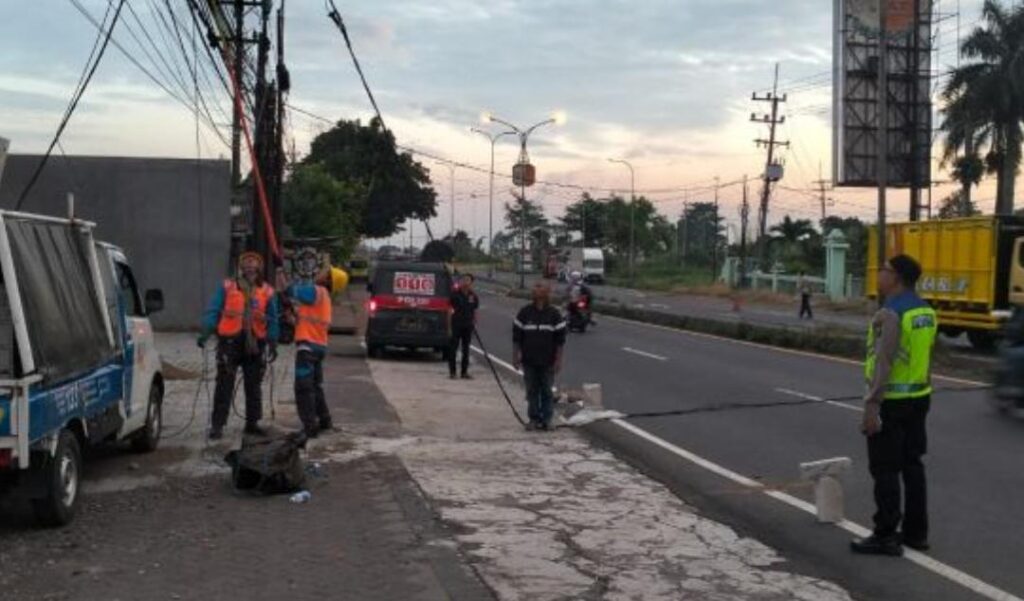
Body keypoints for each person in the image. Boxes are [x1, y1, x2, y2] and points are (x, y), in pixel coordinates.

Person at [851, 254, 937, 557]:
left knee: (885, 469)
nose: (879, 274)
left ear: (897, 277)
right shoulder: (926, 311)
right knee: (913, 465)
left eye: (884, 271)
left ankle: (885, 534)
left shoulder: (890, 314)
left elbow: (883, 363)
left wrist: (871, 408)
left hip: (891, 402)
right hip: (919, 398)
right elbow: (925, 358)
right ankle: (916, 533)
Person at [199, 252, 279, 440]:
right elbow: (213, 310)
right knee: (224, 384)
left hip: (255, 343)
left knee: (253, 385)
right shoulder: (227, 286)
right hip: (230, 342)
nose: (250, 266)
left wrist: (273, 342)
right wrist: (205, 333)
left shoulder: (267, 291)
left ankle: (252, 423)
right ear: (241, 267)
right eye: (246, 263)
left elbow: (273, 319)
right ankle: (217, 425)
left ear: (259, 268)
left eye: (254, 263)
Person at [288, 247, 334, 438]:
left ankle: (309, 426)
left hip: (307, 347)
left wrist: (283, 279)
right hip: (319, 346)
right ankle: (324, 420)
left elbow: (292, 290)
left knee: (303, 388)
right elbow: (305, 315)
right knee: (315, 386)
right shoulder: (324, 296)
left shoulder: (315, 291)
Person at [513, 281, 566, 431]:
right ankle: (533, 419)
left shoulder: (554, 314)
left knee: (547, 391)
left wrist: (558, 360)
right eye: (535, 286)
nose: (536, 288)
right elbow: (516, 337)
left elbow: (560, 341)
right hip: (529, 360)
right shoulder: (524, 312)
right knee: (532, 391)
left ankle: (547, 419)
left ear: (547, 291)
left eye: (540, 286)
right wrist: (515, 356)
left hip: (548, 361)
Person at [448, 273, 479, 379]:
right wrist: (448, 327)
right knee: (453, 348)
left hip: (468, 325)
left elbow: (474, 310)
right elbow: (449, 310)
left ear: (471, 283)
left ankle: (464, 372)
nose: (465, 282)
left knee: (466, 349)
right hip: (456, 324)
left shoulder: (473, 296)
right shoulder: (455, 294)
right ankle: (452, 372)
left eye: (468, 280)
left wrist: (474, 322)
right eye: (463, 280)